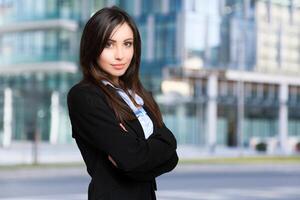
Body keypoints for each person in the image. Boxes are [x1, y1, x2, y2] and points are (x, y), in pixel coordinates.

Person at [67, 6, 178, 200]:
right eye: (109, 44)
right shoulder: (84, 96)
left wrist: (140, 157)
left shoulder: (139, 95)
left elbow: (172, 154)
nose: (120, 55)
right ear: (93, 47)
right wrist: (151, 153)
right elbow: (132, 160)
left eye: (127, 44)